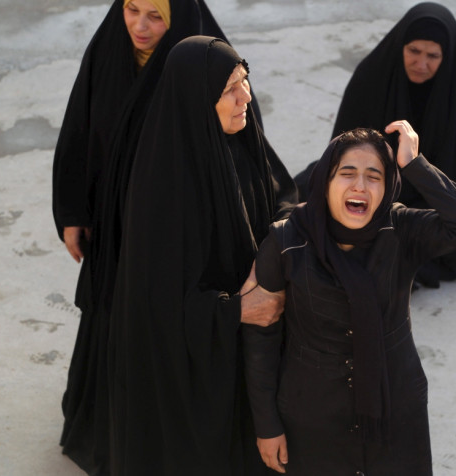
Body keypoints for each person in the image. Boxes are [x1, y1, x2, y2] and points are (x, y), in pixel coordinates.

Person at [51, 1, 236, 474]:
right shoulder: (108, 50)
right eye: (131, 9)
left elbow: (233, 147)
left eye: (155, 16)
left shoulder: (200, 61)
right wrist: (73, 211)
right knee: (112, 323)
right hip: (113, 225)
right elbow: (79, 127)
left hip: (173, 231)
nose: (139, 25)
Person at [243, 123, 456, 475]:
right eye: (347, 173)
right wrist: (267, 426)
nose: (360, 186)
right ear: (325, 182)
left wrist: (415, 164)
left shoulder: (400, 229)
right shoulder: (285, 242)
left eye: (375, 176)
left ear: (388, 187)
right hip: (312, 413)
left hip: (395, 406)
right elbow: (260, 337)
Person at [107, 36, 297, 475]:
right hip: (190, 378)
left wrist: (272, 251)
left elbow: (284, 196)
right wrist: (236, 312)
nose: (245, 96)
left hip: (250, 359)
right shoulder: (164, 184)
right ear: (198, 99)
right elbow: (155, 305)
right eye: (230, 88)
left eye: (245, 80)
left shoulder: (245, 143)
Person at [294, 2, 456, 287]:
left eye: (433, 56)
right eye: (414, 51)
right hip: (372, 187)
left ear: (446, 57)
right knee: (301, 197)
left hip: (432, 193)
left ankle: (384, 260)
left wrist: (417, 170)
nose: (421, 64)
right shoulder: (372, 77)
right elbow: (346, 149)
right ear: (400, 46)